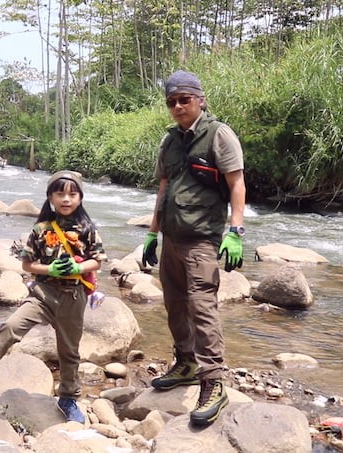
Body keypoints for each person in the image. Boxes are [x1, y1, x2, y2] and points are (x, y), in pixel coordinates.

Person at [0, 170, 107, 424]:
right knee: (11, 326)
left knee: (69, 352)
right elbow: (27, 264)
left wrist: (78, 267)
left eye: (72, 194)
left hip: (73, 298)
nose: (66, 199)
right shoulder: (40, 229)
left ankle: (68, 398)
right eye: (60, 194)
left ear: (80, 198)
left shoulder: (88, 229)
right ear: (50, 197)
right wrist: (50, 269)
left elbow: (98, 261)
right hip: (42, 295)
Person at [142, 70, 246, 427]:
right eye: (171, 101)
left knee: (202, 309)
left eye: (184, 99)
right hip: (172, 237)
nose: (177, 106)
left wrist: (236, 231)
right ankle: (186, 363)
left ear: (200, 100)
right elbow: (163, 187)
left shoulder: (219, 135)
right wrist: (152, 233)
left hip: (202, 239)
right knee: (174, 305)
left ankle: (213, 382)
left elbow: (237, 183)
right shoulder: (169, 141)